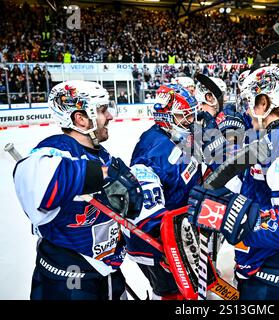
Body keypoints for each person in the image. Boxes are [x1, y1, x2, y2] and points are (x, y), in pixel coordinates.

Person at [188, 66, 279, 300]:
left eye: (250, 101)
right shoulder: (274, 135)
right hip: (268, 267)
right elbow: (240, 171)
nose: (246, 110)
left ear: (264, 102)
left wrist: (229, 216)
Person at [13, 80, 143, 300]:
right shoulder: (56, 149)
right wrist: (101, 174)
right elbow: (34, 182)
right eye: (102, 110)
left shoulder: (101, 154)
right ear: (81, 119)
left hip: (106, 271)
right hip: (66, 279)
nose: (110, 116)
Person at [124, 84, 205, 300]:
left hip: (182, 232)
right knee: (174, 295)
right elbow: (144, 209)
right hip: (161, 245)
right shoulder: (153, 151)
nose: (190, 122)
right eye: (183, 116)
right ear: (165, 116)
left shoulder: (177, 135)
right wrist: (169, 247)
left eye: (191, 115)